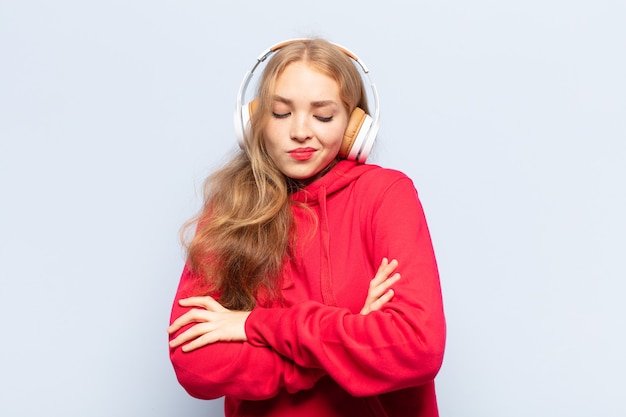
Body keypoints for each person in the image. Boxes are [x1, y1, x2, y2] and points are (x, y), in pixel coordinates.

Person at [167, 38, 446, 417]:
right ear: (254, 122)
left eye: (324, 116)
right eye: (281, 114)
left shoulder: (386, 196)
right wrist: (348, 336)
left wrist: (253, 325)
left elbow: (416, 348)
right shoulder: (229, 209)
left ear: (354, 126)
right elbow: (195, 362)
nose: (300, 131)